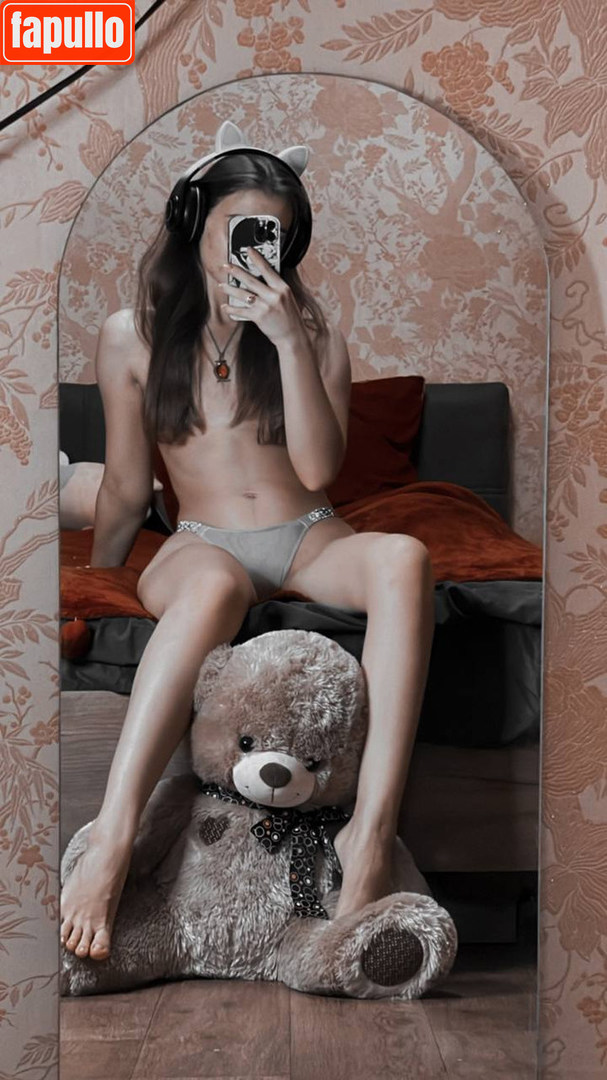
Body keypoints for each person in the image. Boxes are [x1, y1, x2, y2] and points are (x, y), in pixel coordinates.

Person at [60, 135, 435, 962]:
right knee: (213, 588)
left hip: (308, 536)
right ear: (192, 220)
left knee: (404, 558)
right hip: (201, 541)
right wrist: (95, 576)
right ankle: (113, 839)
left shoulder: (313, 333)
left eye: (274, 233)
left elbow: (318, 470)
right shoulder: (132, 334)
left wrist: (290, 340)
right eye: (240, 228)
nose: (257, 249)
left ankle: (370, 834)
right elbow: (128, 484)